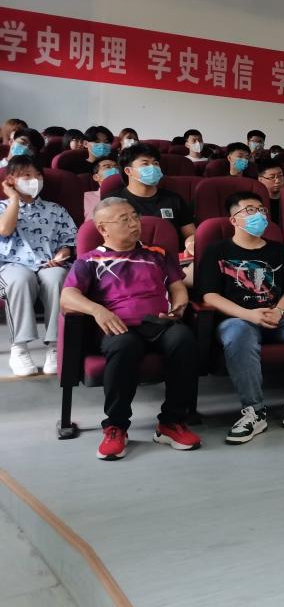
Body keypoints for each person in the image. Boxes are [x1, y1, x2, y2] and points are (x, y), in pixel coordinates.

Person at [60, 198, 201, 460]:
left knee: (183, 339)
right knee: (124, 346)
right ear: (103, 228)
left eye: (135, 216)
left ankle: (171, 422)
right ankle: (116, 426)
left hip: (159, 322)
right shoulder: (90, 260)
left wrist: (178, 309)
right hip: (119, 326)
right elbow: (68, 296)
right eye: (124, 219)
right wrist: (98, 310)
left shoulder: (157, 254)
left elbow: (177, 287)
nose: (134, 223)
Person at [198, 192, 284, 443]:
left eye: (261, 210)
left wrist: (279, 312)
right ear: (234, 220)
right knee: (238, 332)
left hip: (276, 315)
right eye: (250, 210)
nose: (258, 214)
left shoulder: (278, 251)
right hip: (238, 318)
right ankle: (254, 411)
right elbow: (209, 295)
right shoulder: (217, 250)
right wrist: (249, 314)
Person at [0, 156, 77, 375]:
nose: (34, 180)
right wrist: (14, 199)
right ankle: (19, 348)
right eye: (26, 175)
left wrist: (61, 255)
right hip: (11, 264)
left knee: (57, 278)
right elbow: (4, 230)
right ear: (11, 180)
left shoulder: (56, 209)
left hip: (48, 262)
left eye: (37, 175)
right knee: (20, 280)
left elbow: (68, 242)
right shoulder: (2, 207)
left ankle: (55, 345)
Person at [110, 143, 195, 245]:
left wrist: (191, 244)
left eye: (155, 163)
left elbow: (191, 234)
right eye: (145, 164)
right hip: (129, 253)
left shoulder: (174, 199)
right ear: (128, 171)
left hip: (170, 253)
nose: (153, 167)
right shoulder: (112, 202)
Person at [256, 158, 284, 225]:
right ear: (260, 179)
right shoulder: (256, 202)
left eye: (280, 176)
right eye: (272, 177)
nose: (277, 181)